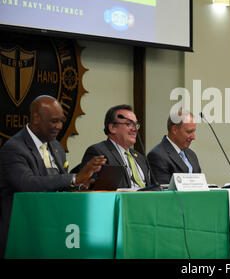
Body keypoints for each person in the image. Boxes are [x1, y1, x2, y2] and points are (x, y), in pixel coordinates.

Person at [0, 95, 106, 258]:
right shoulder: (14, 148)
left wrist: (81, 184)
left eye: (61, 121)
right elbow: (27, 184)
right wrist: (74, 178)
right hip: (22, 230)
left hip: (54, 225)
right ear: (36, 118)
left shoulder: (56, 146)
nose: (59, 126)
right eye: (54, 121)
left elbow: (59, 183)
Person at [79, 104, 154, 189]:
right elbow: (91, 188)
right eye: (129, 124)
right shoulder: (98, 152)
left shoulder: (140, 158)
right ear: (112, 128)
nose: (134, 129)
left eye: (136, 125)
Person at [147, 109, 201, 184]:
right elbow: (163, 191)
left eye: (193, 131)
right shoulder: (157, 155)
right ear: (174, 129)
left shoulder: (192, 155)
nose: (193, 137)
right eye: (189, 132)